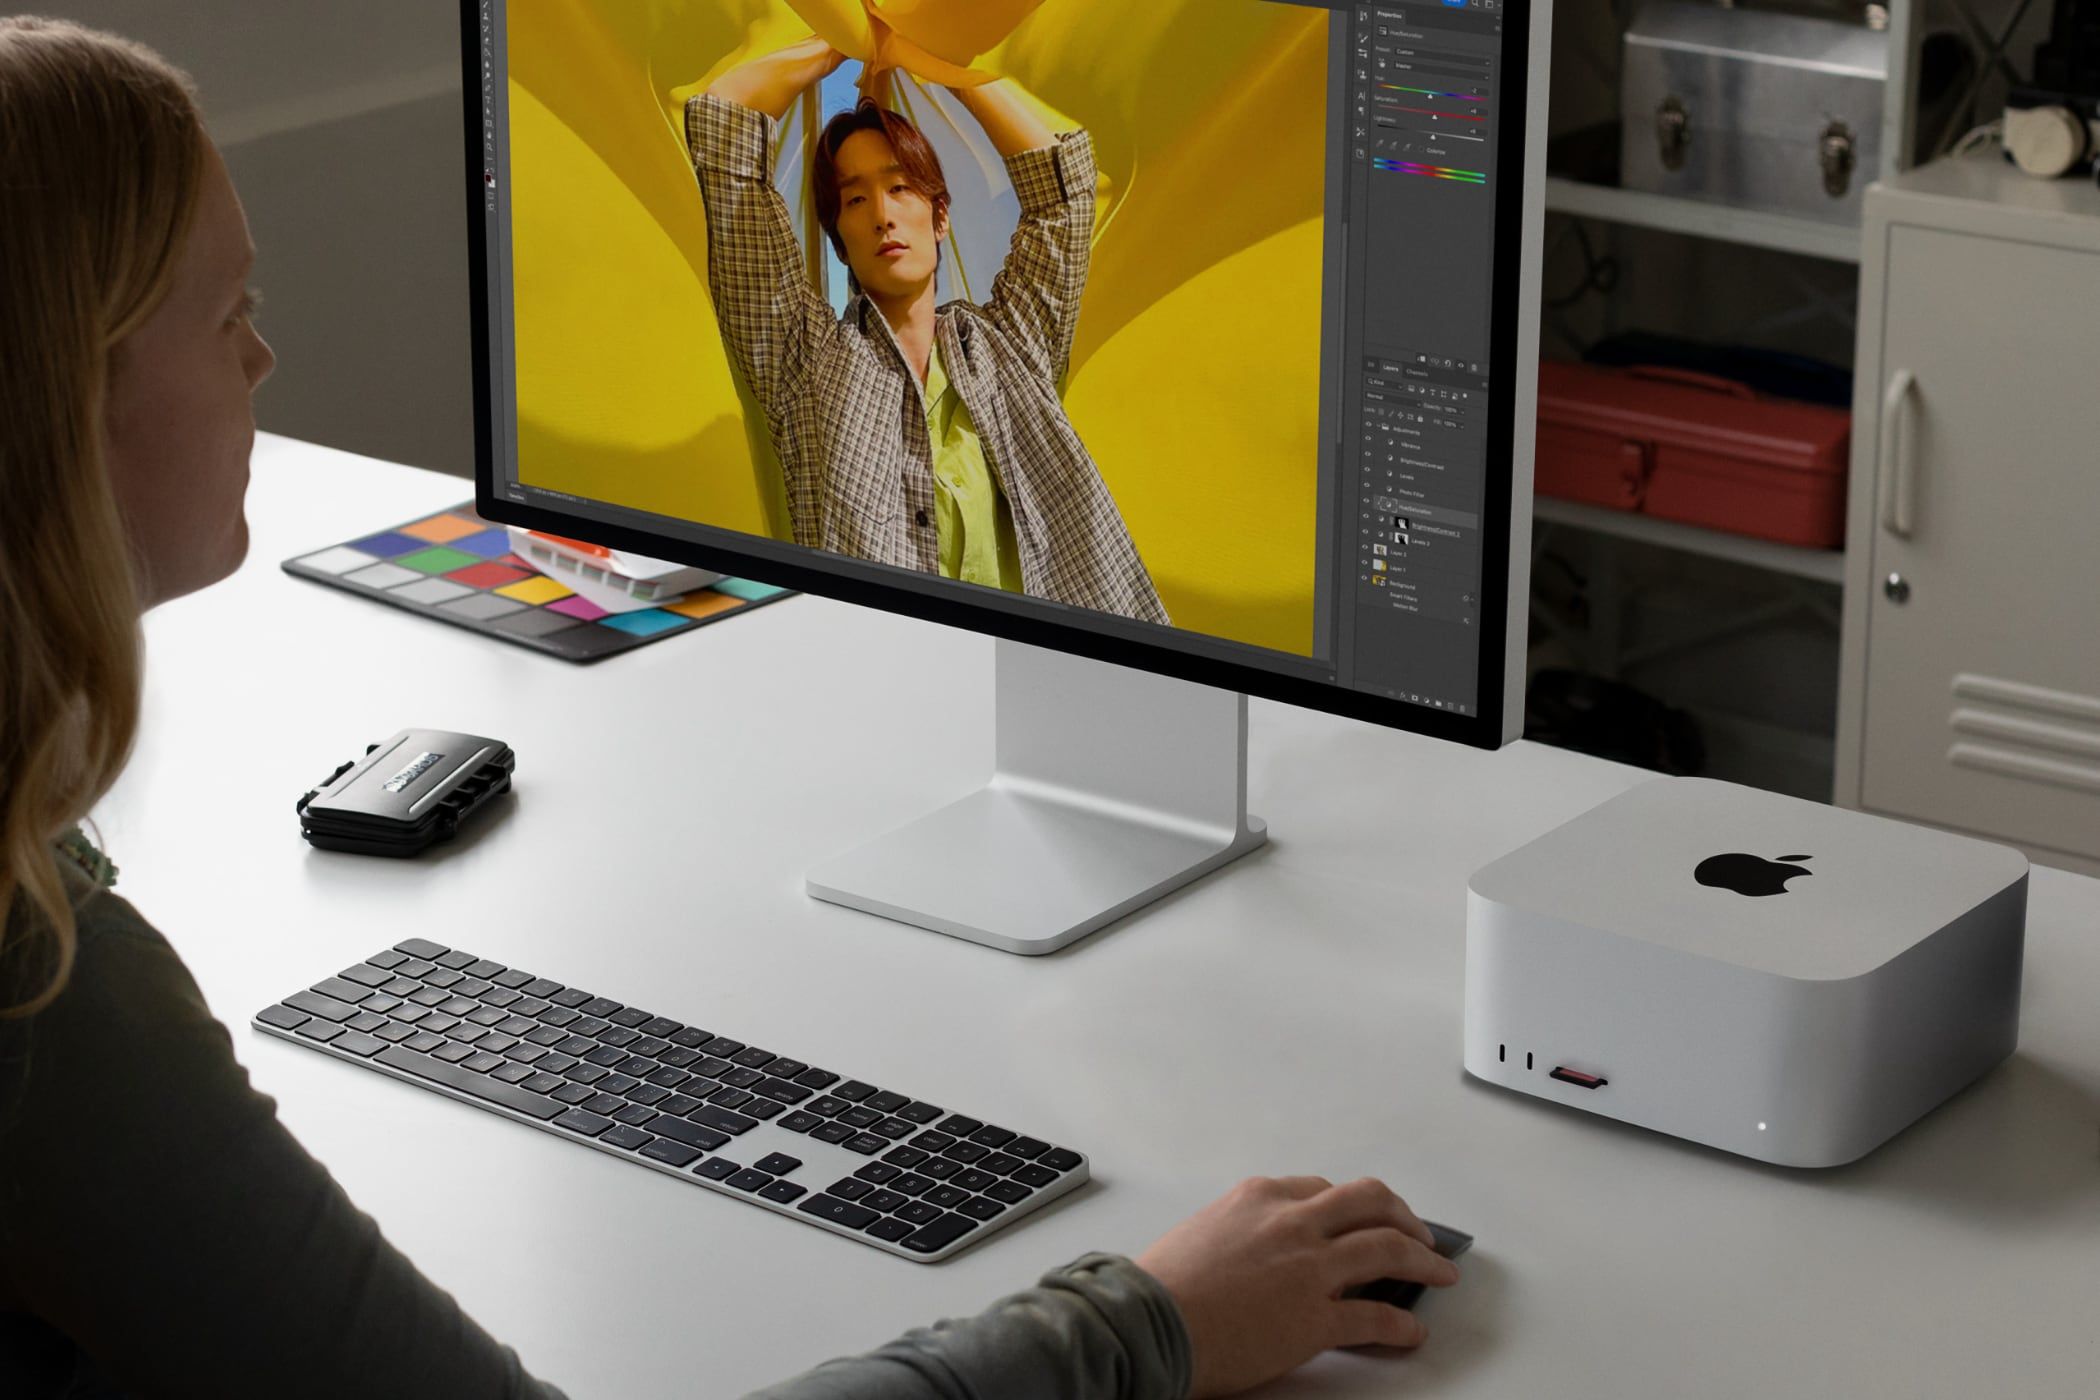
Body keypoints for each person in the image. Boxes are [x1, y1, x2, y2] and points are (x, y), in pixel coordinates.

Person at [0, 17, 1457, 1399]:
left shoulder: (1014, 343)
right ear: (62, 394)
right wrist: (1150, 1322)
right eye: (230, 315)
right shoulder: (39, 986)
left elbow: (1063, 190)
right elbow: (726, 137)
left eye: (912, 187)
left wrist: (943, 72)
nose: (263, 359)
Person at [689, 38, 1171, 626]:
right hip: (891, 683)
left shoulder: (1014, 343)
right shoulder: (804, 361)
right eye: (855, 198)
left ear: (939, 216)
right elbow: (727, 125)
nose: (882, 215)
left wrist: (940, 59)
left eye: (900, 187)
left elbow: (1063, 197)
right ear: (840, 240)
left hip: (1067, 673)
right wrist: (843, 40)